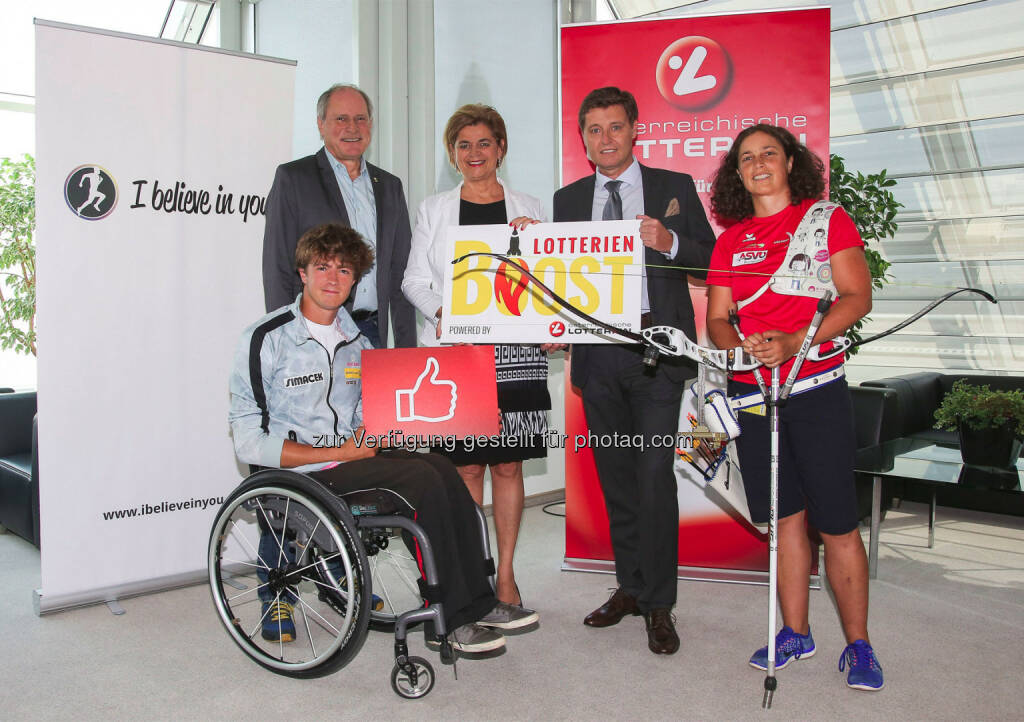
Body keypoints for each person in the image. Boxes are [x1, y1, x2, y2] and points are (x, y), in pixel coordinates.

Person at [230, 223, 535, 653]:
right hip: (299, 476)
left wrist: (460, 412)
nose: (333, 278)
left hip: (349, 464)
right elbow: (246, 439)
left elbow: (371, 417)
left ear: (356, 280)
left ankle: (480, 600)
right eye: (323, 267)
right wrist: (339, 449)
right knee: (421, 481)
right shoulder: (266, 338)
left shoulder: (358, 342)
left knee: (440, 467)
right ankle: (451, 619)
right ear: (302, 273)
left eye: (344, 270)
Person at [705, 124, 883, 691]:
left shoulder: (827, 220)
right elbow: (716, 319)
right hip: (756, 395)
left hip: (816, 387)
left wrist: (793, 342)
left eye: (769, 155)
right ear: (737, 174)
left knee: (836, 522)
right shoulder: (729, 241)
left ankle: (859, 645)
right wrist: (743, 352)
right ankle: (795, 632)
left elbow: (857, 297)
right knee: (784, 523)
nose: (758, 165)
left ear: (789, 163)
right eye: (747, 159)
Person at [553, 87, 716, 655]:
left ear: (635, 129)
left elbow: (709, 262)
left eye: (615, 127)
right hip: (598, 360)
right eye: (594, 129)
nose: (605, 138)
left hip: (657, 355)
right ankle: (629, 586)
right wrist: (529, 239)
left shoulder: (674, 187)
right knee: (617, 480)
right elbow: (555, 280)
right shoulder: (567, 198)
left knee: (652, 481)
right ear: (583, 138)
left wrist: (669, 241)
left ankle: (660, 604)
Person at [402, 103, 550, 626]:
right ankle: (474, 574)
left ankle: (506, 575)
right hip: (458, 354)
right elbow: (414, 280)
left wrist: (551, 326)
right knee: (465, 467)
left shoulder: (531, 206)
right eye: (463, 145)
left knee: (508, 466)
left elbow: (549, 282)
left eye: (484, 143)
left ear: (501, 148)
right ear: (451, 154)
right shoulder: (434, 209)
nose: (474, 153)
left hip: (516, 353)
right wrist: (445, 312)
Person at [261, 83, 415, 348]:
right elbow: (277, 267)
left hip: (372, 333)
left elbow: (401, 272)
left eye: (360, 119)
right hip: (313, 332)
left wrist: (406, 349)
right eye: (340, 118)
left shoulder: (390, 187)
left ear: (371, 124)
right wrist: (286, 339)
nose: (352, 128)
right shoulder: (294, 179)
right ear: (321, 125)